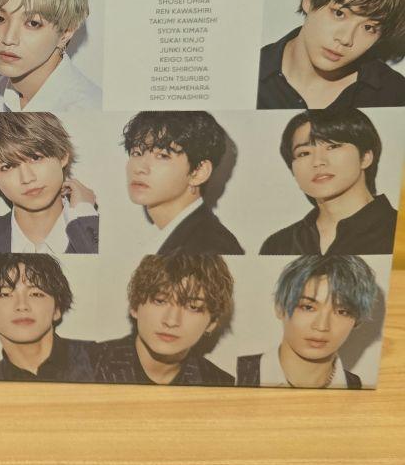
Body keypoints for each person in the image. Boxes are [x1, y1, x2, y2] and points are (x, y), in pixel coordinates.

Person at [258, 0, 405, 109]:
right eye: (339, 13)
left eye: (369, 28)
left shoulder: (395, 94)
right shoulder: (249, 71)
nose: (346, 39)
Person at [260, 108, 397, 255]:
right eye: (304, 153)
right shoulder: (278, 245)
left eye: (333, 146)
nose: (318, 161)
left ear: (365, 157)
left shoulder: (396, 231)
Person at [0, 112, 98, 254]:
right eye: (7, 166)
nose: (27, 178)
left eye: (36, 158)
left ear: (62, 156)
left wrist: (85, 214)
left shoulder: (102, 232)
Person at [237, 254, 382, 390]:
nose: (322, 326)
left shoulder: (358, 386)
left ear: (357, 320)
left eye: (342, 311)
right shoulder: (236, 373)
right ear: (280, 308)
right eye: (308, 307)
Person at [94, 253, 235, 386]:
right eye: (160, 301)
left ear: (212, 322)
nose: (171, 321)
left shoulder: (222, 384)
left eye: (193, 307)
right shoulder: (88, 364)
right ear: (135, 306)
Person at [122, 111, 242, 255]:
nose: (139, 168)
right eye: (136, 153)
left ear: (199, 172)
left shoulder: (210, 247)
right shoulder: (184, 237)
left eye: (162, 156)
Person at [0, 253, 98, 381]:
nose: (22, 306)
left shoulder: (103, 359)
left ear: (56, 308)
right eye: (5, 294)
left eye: (36, 294)